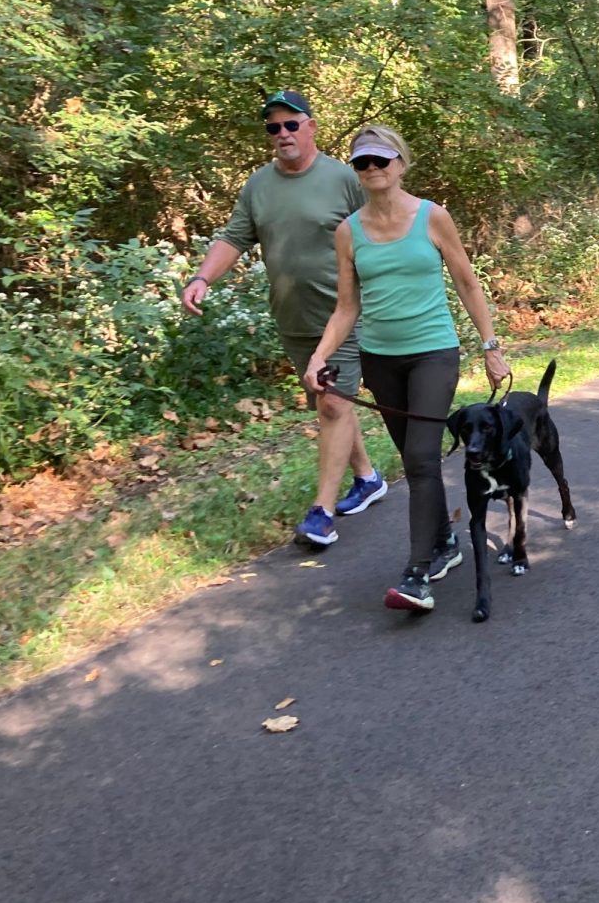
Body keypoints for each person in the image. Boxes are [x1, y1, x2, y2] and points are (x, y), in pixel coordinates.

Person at [304, 124, 510, 612]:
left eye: (381, 159)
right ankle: (443, 544)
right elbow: (346, 307)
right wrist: (320, 356)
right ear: (356, 171)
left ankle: (417, 574)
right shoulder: (347, 231)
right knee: (415, 460)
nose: (372, 168)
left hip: (433, 352)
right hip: (380, 359)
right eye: (362, 162)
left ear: (401, 163)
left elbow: (466, 281)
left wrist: (490, 345)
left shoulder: (432, 218)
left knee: (420, 457)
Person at [181, 90, 387, 548]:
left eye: (291, 124)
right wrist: (201, 278)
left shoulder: (343, 179)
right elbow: (234, 237)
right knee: (330, 402)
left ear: (311, 126)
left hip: (345, 314)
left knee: (334, 404)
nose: (283, 134)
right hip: (293, 318)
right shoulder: (258, 186)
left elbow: (380, 228)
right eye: (273, 128)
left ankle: (322, 513)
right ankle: (368, 478)